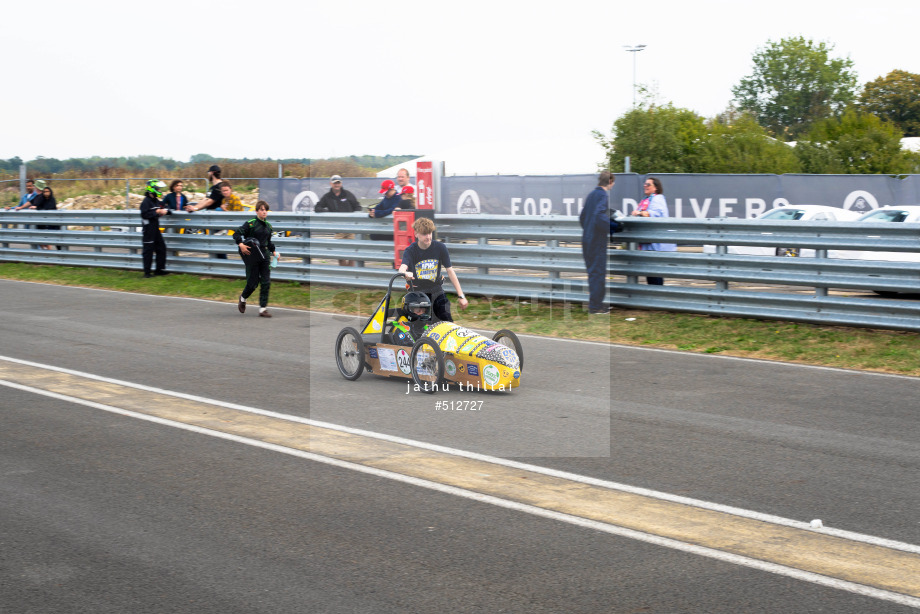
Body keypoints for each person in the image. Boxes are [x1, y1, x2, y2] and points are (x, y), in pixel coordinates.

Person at [397, 217, 468, 322]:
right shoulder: (410, 251)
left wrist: (461, 296)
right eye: (424, 234)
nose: (428, 237)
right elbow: (402, 268)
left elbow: (450, 271)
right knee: (423, 323)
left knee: (446, 320)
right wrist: (405, 273)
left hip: (436, 289)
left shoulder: (440, 248)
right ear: (416, 234)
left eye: (430, 233)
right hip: (418, 292)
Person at [580, 171, 619, 314]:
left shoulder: (591, 195)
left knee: (593, 273)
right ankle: (596, 307)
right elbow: (598, 216)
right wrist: (613, 227)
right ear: (610, 182)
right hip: (597, 241)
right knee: (598, 273)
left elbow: (583, 217)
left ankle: (595, 304)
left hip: (587, 239)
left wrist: (589, 230)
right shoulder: (603, 195)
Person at [234, 201, 278, 318]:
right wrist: (241, 244)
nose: (264, 212)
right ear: (257, 211)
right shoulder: (251, 224)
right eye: (262, 209)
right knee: (253, 283)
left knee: (266, 282)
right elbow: (237, 233)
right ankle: (243, 298)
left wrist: (274, 252)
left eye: (266, 210)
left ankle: (262, 309)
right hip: (252, 256)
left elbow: (269, 242)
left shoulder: (269, 226)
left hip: (265, 256)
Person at [632, 177, 676, 285]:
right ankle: (654, 297)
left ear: (655, 188)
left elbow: (653, 213)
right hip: (649, 243)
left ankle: (657, 298)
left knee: (654, 273)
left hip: (656, 245)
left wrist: (639, 213)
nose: (645, 186)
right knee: (651, 274)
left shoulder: (658, 199)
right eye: (645, 184)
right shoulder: (646, 199)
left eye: (648, 184)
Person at [315, 175, 362, 266]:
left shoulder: (348, 194)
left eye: (338, 182)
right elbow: (317, 207)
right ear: (331, 184)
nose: (337, 185)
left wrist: (356, 216)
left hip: (351, 228)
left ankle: (351, 272)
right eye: (335, 183)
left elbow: (357, 206)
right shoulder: (327, 197)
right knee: (339, 253)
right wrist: (327, 212)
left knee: (352, 252)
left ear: (341, 183)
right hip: (338, 229)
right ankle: (343, 272)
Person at [140, 180, 171, 277]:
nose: (159, 190)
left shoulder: (156, 201)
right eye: (158, 189)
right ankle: (147, 273)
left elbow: (166, 207)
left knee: (161, 248)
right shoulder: (146, 202)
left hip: (156, 229)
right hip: (148, 229)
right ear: (152, 189)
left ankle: (159, 270)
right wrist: (156, 212)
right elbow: (144, 214)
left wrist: (166, 211)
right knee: (148, 250)